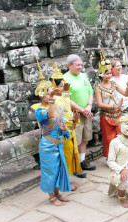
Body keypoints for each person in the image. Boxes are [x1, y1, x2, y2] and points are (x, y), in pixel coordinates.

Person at [31, 62, 71, 206]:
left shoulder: (59, 108)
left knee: (59, 171)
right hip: (47, 146)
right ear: (42, 96)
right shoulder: (39, 110)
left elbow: (61, 124)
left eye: (51, 93)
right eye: (48, 94)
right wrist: (53, 98)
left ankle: (58, 193)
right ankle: (51, 197)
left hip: (58, 144)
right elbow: (50, 114)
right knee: (50, 172)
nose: (51, 95)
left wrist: (64, 128)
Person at [50, 62, 86, 187]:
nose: (63, 88)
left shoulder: (63, 96)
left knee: (70, 155)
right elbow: (57, 115)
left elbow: (67, 105)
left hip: (69, 129)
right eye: (60, 86)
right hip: (60, 131)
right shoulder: (54, 100)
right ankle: (62, 182)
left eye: (63, 85)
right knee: (64, 156)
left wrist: (75, 118)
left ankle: (66, 180)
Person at [95, 52, 128, 158]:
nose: (109, 75)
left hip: (117, 115)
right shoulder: (99, 87)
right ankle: (110, 158)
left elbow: (125, 93)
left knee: (120, 138)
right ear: (102, 74)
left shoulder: (114, 84)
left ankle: (120, 157)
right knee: (109, 139)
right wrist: (113, 107)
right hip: (106, 116)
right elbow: (100, 104)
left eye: (110, 73)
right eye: (107, 74)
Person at [64, 54, 96, 171]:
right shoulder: (65, 79)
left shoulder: (83, 76)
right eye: (77, 65)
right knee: (75, 138)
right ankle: (75, 164)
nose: (80, 67)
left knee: (84, 137)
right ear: (70, 65)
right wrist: (82, 110)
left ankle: (82, 161)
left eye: (81, 65)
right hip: (74, 114)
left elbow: (90, 92)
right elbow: (67, 99)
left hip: (86, 112)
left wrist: (89, 106)